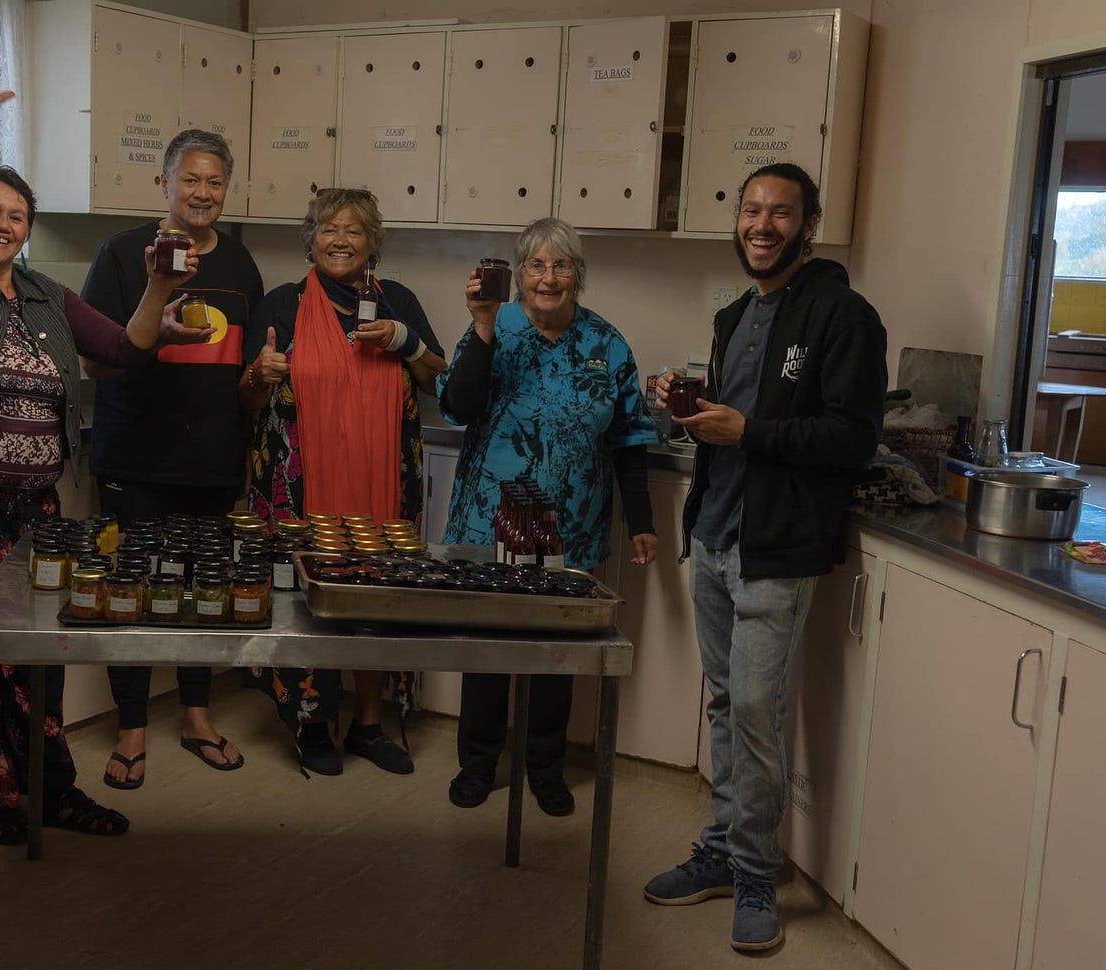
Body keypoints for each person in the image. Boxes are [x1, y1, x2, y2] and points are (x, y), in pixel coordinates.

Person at [0, 32, 150, 843]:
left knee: (40, 655)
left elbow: (122, 350)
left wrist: (163, 289)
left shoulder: (47, 295)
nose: (2, 224)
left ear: (28, 229)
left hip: (37, 511)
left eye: (16, 215)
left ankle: (49, 788)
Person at [642, 163, 886, 952]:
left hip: (777, 550)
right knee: (723, 702)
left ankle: (755, 870)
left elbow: (851, 439)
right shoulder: (735, 314)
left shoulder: (845, 315)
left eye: (781, 212)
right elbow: (735, 416)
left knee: (753, 709)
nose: (762, 224)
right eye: (751, 209)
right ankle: (723, 848)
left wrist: (747, 432)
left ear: (808, 225)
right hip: (713, 535)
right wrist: (689, 412)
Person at [438, 217, 658, 818]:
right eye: (536, 265)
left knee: (555, 652)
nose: (548, 277)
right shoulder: (496, 327)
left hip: (571, 528)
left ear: (577, 276)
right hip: (490, 523)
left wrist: (641, 518)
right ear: (519, 274)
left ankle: (545, 767)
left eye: (561, 266)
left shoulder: (606, 344)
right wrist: (482, 326)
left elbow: (631, 438)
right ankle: (477, 764)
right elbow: (456, 405)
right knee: (487, 650)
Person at [81, 128, 264, 789]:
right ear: (164, 183)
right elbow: (95, 362)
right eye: (191, 179)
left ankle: (195, 714)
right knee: (130, 592)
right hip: (135, 456)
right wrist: (156, 335)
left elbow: (244, 378)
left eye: (215, 181)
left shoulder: (241, 266)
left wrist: (258, 406)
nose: (204, 192)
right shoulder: (124, 256)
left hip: (212, 461)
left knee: (202, 591)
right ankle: (132, 725)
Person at [242, 187, 447, 776]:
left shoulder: (399, 301)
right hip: (306, 485)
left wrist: (405, 342)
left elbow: (438, 380)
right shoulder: (283, 304)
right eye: (329, 228)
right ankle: (311, 721)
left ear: (371, 242)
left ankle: (368, 723)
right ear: (311, 238)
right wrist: (260, 372)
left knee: (378, 593)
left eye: (353, 230)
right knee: (309, 594)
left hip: (381, 481)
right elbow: (246, 400)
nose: (340, 240)